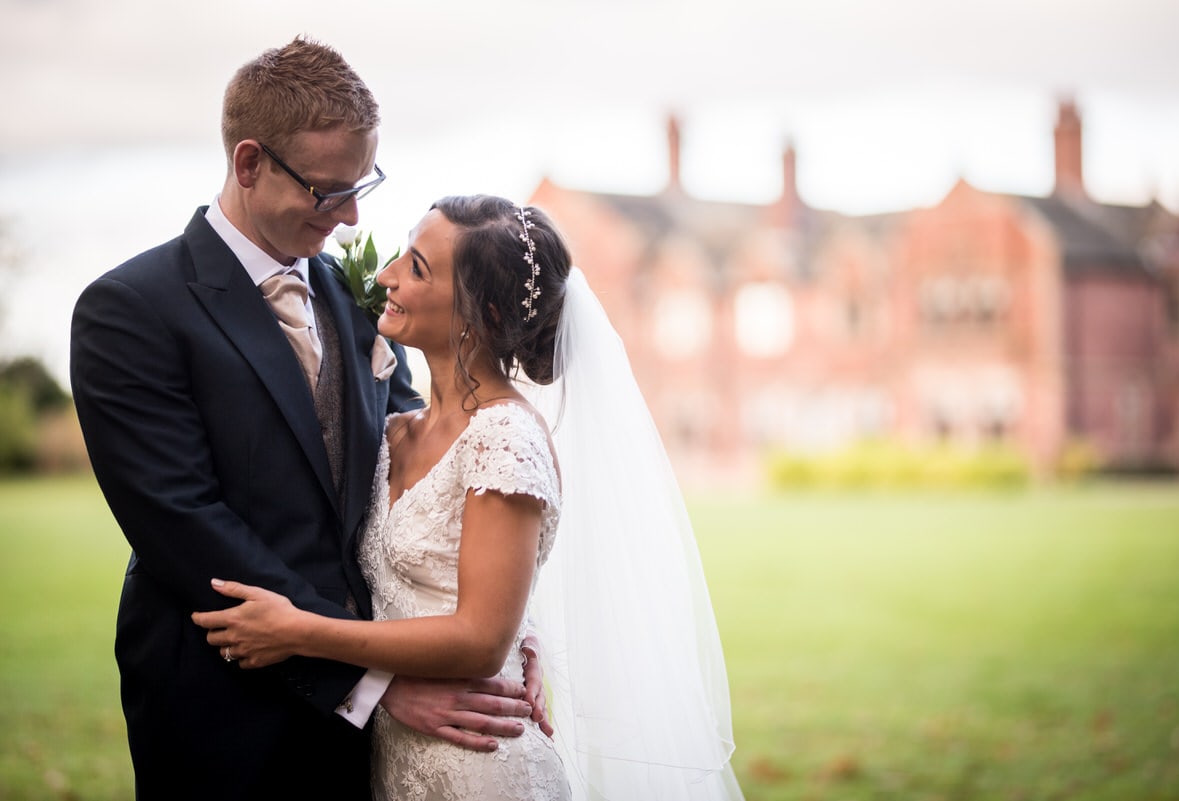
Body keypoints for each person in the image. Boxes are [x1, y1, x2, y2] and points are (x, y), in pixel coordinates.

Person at [70, 39, 545, 801]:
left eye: (363, 186)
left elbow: (428, 482)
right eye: (329, 192)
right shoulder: (129, 311)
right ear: (250, 163)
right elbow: (186, 527)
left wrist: (503, 631)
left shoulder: (358, 301)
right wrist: (374, 682)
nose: (354, 219)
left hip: (389, 732)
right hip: (225, 711)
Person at [193, 195, 745, 800]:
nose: (385, 277)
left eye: (418, 268)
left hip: (480, 762)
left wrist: (299, 631)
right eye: (404, 253)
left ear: (477, 313)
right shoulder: (394, 429)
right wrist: (523, 628)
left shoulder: (505, 438)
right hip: (394, 756)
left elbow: (481, 640)